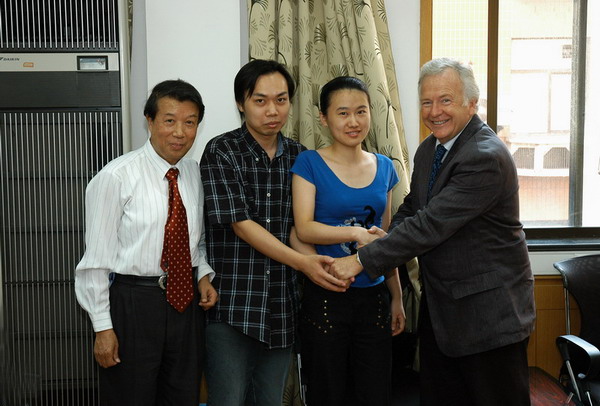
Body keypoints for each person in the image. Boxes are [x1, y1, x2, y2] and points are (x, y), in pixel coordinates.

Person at [329, 58, 536, 406]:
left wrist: (361, 260)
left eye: (445, 100)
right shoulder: (431, 148)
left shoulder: (485, 157)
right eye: (427, 102)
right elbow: (414, 206)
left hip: (489, 319)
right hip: (443, 314)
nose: (435, 111)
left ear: (472, 103)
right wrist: (386, 237)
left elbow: (431, 224)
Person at [199, 59, 348, 406]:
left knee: (270, 401)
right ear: (241, 103)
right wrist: (302, 263)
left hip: (282, 306)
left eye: (281, 100)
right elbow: (241, 224)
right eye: (260, 100)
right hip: (233, 305)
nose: (272, 110)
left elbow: (303, 227)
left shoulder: (301, 157)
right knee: (227, 400)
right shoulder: (222, 151)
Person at [75, 79, 218, 406]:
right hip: (133, 303)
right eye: (169, 121)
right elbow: (95, 261)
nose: (180, 132)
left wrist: (203, 274)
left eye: (190, 122)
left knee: (183, 395)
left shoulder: (193, 174)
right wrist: (102, 328)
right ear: (149, 121)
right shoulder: (115, 177)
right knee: (131, 396)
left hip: (185, 306)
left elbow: (194, 240)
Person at [290, 76, 405, 405]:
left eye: (361, 111)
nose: (353, 121)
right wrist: (354, 232)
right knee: (327, 391)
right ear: (324, 118)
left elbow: (383, 242)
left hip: (374, 297)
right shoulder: (309, 163)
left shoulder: (385, 167)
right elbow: (304, 228)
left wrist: (396, 297)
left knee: (375, 391)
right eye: (342, 113)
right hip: (327, 294)